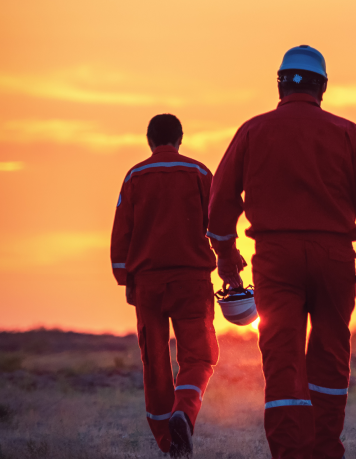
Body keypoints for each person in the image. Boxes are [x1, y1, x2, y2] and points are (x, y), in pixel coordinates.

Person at [207, 45, 356, 459]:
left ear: (279, 83)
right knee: (330, 358)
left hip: (276, 259)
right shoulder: (347, 133)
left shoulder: (253, 131)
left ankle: (291, 453)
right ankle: (325, 451)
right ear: (323, 86)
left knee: (283, 362)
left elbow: (219, 205)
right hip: (334, 260)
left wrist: (227, 259)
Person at [110, 114, 228, 458]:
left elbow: (122, 233)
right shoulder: (200, 173)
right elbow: (219, 227)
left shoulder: (134, 176)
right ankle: (184, 412)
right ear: (180, 139)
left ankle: (168, 443)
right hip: (192, 282)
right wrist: (230, 269)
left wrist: (125, 278)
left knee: (156, 363)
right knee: (200, 356)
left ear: (149, 141)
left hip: (147, 285)